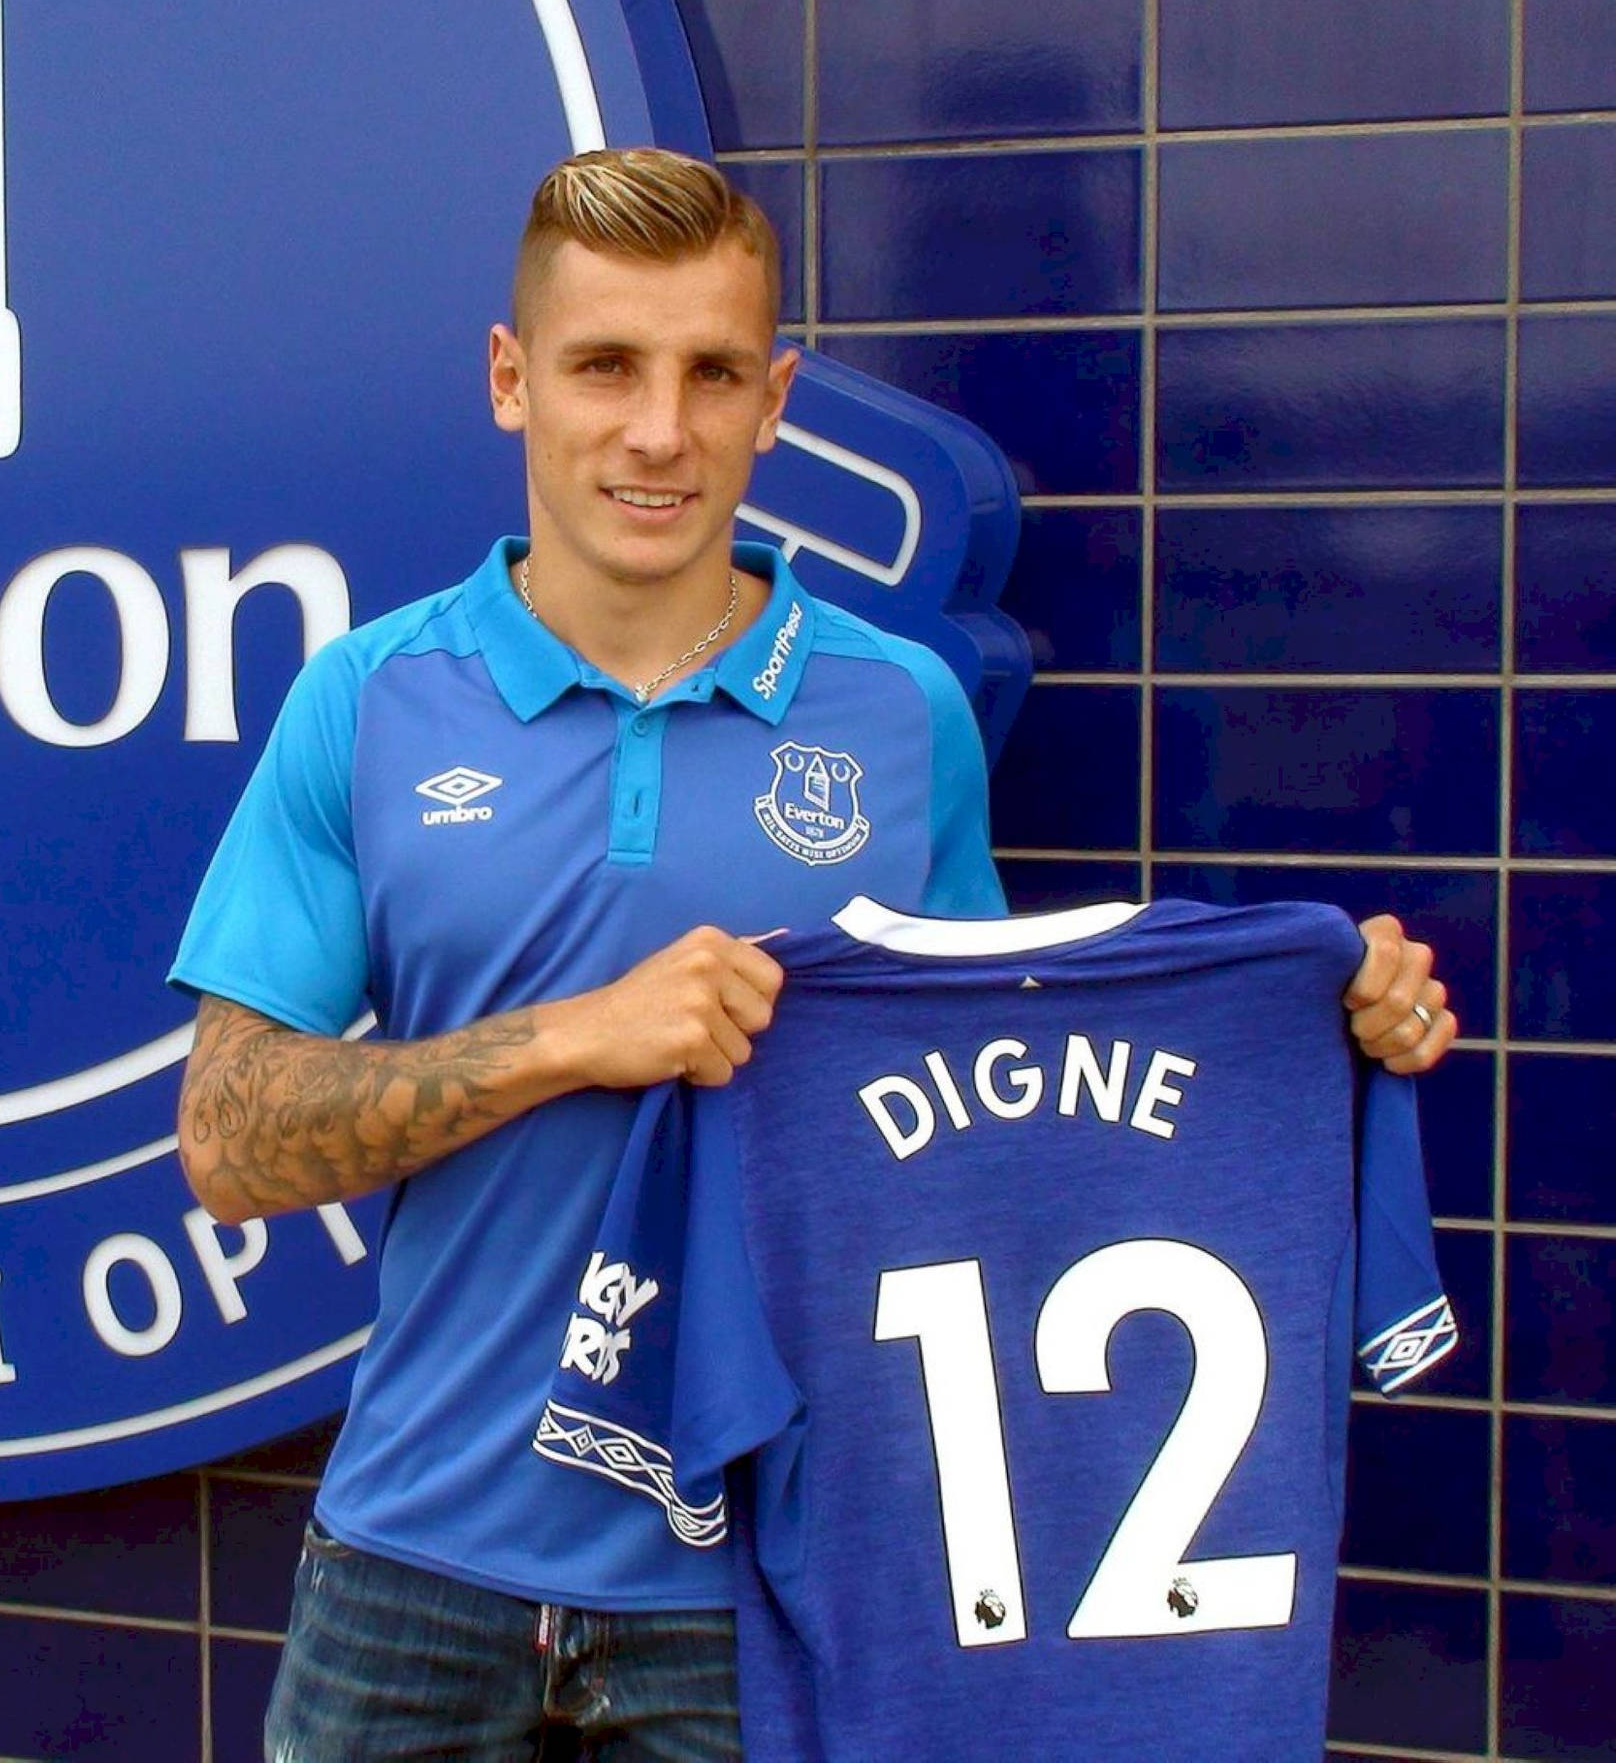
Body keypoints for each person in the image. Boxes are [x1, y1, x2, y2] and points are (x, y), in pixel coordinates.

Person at [169, 147, 1456, 1760]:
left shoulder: (899, 712)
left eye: (712, 373)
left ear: (775, 399)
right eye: (605, 367)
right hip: (416, 1568)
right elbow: (228, 1144)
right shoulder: (365, 702)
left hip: (764, 1589)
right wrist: (578, 1037)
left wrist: (1322, 1030)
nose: (659, 431)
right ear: (512, 382)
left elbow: (1009, 1119)